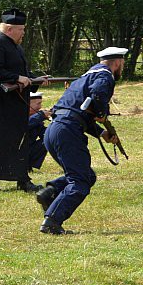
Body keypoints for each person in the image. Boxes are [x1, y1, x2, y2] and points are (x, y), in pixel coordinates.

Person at [36, 47, 127, 235]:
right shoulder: (105, 76)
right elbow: (99, 93)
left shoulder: (84, 77)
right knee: (80, 180)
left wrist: (102, 133)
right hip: (67, 131)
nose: (122, 67)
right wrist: (102, 113)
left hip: (55, 130)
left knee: (86, 175)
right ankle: (52, 220)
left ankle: (50, 193)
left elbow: (79, 113)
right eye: (122, 64)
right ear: (117, 62)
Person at [0, 8, 44, 193]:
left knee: (18, 137)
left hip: (11, 100)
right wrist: (17, 78)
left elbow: (21, 71)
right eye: (21, 29)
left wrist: (35, 79)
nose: (23, 33)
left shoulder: (15, 45)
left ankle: (22, 179)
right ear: (9, 29)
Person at [26, 91, 50, 174]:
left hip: (27, 149)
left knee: (48, 139)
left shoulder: (36, 118)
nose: (40, 107)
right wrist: (41, 115)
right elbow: (25, 126)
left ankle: (27, 165)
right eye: (38, 104)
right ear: (28, 103)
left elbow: (45, 134)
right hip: (13, 152)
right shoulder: (17, 115)